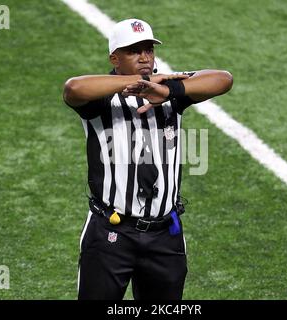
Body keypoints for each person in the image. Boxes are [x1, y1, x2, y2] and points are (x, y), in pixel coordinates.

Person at [63, 18, 233, 300]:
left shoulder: (169, 91)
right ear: (115, 59)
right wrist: (140, 82)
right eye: (134, 51)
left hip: (164, 236)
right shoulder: (103, 101)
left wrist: (168, 90)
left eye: (149, 50)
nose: (145, 57)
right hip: (111, 234)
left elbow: (223, 79)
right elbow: (73, 89)